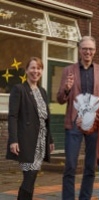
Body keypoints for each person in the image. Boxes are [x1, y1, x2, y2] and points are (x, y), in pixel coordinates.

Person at [57, 36, 99, 200]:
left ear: (95, 51)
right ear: (79, 50)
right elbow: (60, 99)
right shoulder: (68, 70)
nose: (87, 52)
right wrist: (66, 89)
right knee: (70, 166)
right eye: (84, 48)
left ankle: (85, 198)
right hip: (74, 123)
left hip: (94, 124)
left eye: (90, 49)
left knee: (91, 167)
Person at [6, 57, 54, 200]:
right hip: (27, 140)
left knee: (32, 178)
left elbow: (46, 119)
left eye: (38, 68)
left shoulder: (43, 91)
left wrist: (50, 140)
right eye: (32, 68)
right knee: (29, 177)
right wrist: (13, 140)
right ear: (26, 70)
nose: (35, 71)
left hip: (40, 141)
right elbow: (13, 116)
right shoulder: (19, 89)